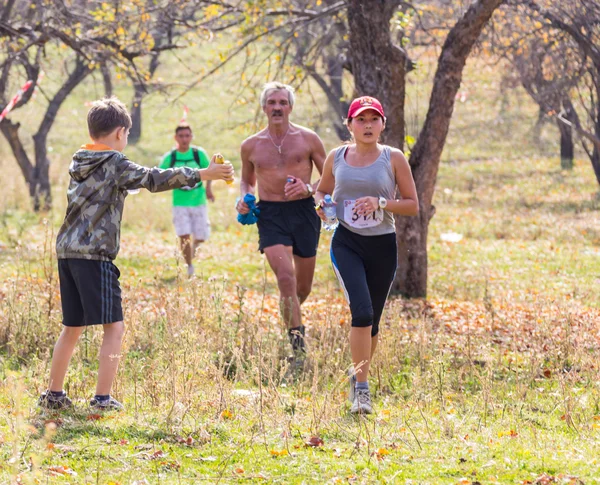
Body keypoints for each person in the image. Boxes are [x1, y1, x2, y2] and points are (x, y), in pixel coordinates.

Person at [39, 96, 233, 411]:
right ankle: (102, 399)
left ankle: (54, 395)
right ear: (119, 133)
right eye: (127, 134)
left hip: (67, 252)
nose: (126, 140)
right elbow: (154, 178)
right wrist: (204, 174)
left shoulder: (80, 160)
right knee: (114, 326)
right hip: (95, 255)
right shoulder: (115, 162)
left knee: (72, 326)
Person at [314, 96, 419, 414]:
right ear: (349, 125)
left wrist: (381, 203)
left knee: (372, 321)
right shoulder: (337, 156)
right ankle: (361, 390)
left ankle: (358, 373)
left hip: (382, 246)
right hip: (347, 243)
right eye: (361, 120)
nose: (368, 125)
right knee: (360, 312)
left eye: (374, 119)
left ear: (383, 124)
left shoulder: (394, 158)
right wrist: (322, 205)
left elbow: (413, 205)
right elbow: (321, 190)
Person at [236, 82, 326, 373]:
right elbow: (247, 180)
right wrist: (243, 199)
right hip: (270, 213)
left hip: (304, 211)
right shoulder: (251, 145)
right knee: (285, 279)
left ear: (290, 107)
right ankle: (299, 351)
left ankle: (292, 315)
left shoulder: (308, 139)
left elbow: (329, 177)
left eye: (282, 102)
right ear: (264, 107)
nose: (277, 107)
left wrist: (308, 188)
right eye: (271, 102)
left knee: (302, 287)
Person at [159, 124, 214, 277]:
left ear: (191, 137)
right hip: (179, 203)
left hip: (199, 201)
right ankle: (189, 266)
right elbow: (160, 175)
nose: (184, 139)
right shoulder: (171, 157)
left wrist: (209, 189)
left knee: (201, 237)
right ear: (175, 138)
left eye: (187, 135)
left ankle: (194, 249)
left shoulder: (198, 154)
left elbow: (210, 172)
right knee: (184, 235)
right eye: (181, 136)